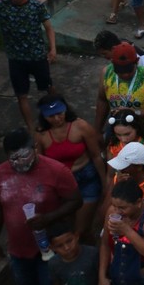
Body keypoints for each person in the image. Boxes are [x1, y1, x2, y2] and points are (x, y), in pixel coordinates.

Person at [0, 127, 80, 285]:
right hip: (19, 249)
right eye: (14, 158)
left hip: (49, 246)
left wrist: (48, 218)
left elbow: (76, 201)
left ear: (35, 148)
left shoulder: (56, 171)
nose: (20, 162)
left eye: (24, 155)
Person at [36, 96, 104, 240]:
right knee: (70, 226)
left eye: (60, 113)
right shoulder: (41, 135)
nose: (57, 119)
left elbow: (96, 156)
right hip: (61, 185)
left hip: (86, 179)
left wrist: (106, 184)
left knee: (80, 229)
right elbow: (40, 164)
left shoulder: (81, 126)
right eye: (51, 116)